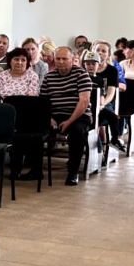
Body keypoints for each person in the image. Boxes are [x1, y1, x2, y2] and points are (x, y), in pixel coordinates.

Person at [40, 46, 92, 186]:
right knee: (35, 127)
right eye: (58, 58)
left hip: (78, 115)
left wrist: (69, 121)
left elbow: (84, 101)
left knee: (77, 132)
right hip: (55, 115)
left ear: (72, 60)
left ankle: (73, 172)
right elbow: (43, 101)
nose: (61, 62)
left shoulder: (81, 74)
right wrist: (49, 118)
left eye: (65, 59)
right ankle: (35, 169)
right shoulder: (49, 77)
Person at [90, 44, 125, 151]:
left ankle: (103, 148)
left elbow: (110, 94)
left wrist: (101, 104)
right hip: (88, 102)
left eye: (104, 51)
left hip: (105, 102)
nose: (100, 53)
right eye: (97, 50)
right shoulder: (85, 68)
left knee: (101, 118)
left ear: (108, 54)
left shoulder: (112, 70)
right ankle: (94, 150)